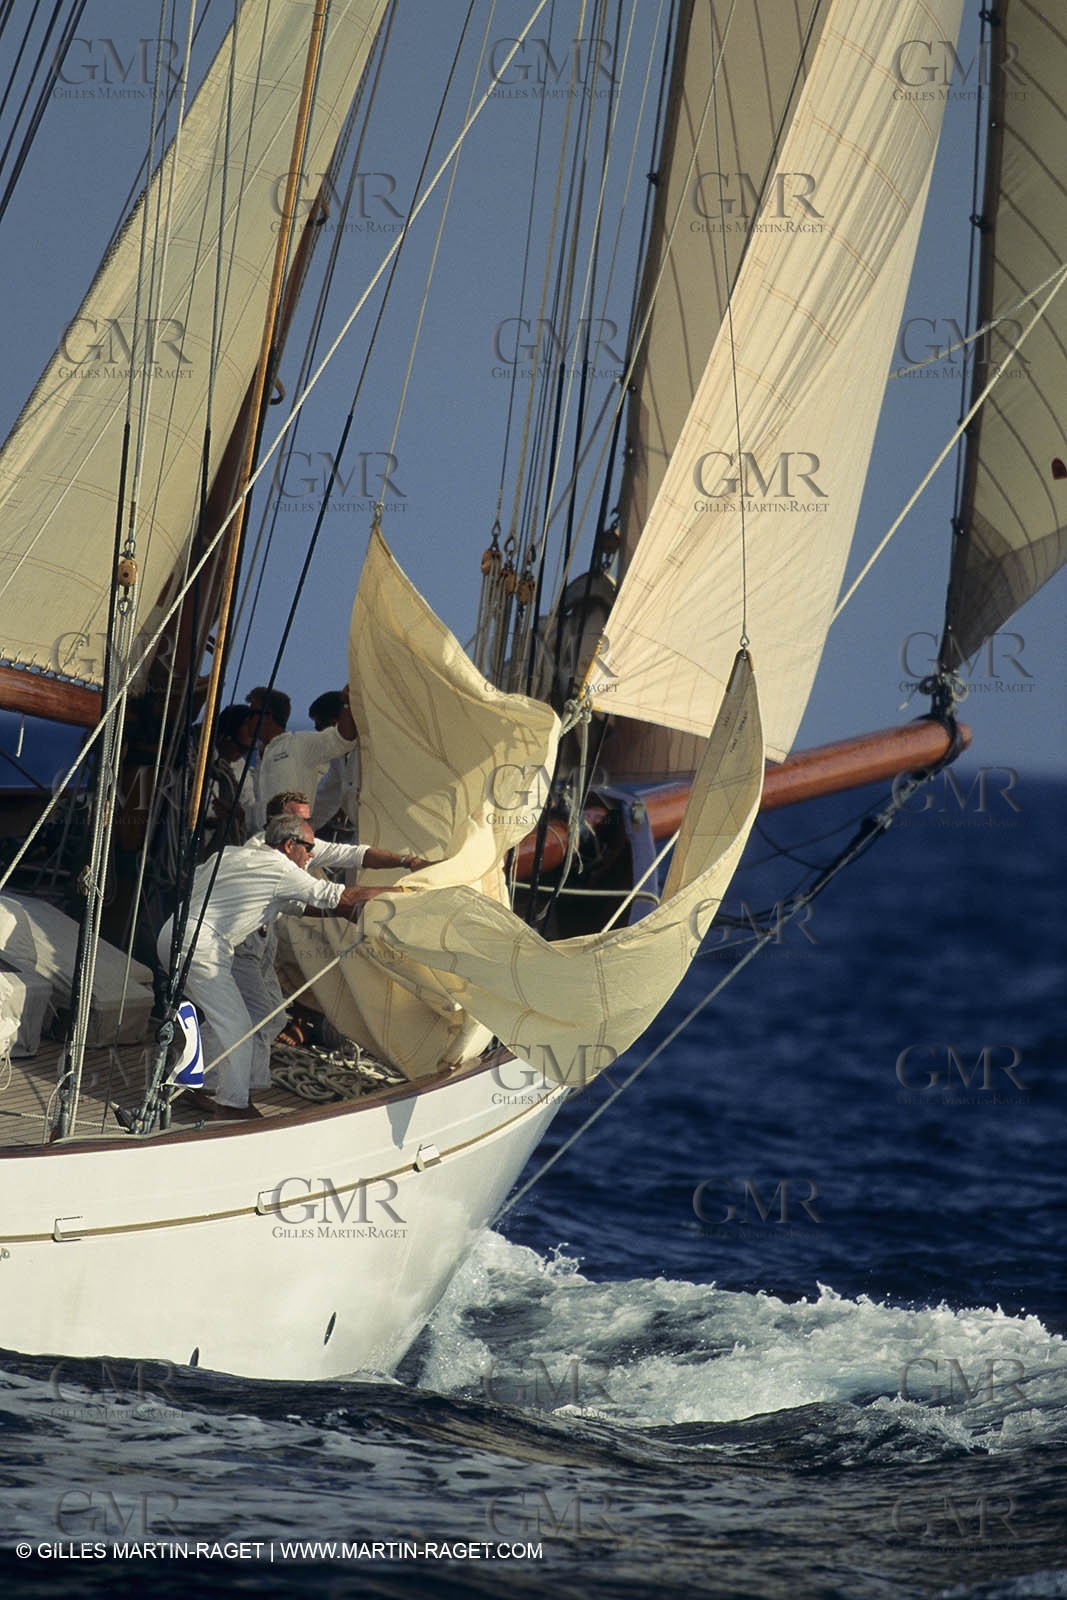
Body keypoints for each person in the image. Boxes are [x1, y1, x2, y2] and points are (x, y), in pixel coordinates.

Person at [156, 815, 384, 1120]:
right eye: (308, 848)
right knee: (237, 1027)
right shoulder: (282, 868)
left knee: (237, 1018)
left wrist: (345, 914)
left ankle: (205, 1086)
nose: (311, 856)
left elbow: (298, 905)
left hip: (171, 932)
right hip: (203, 946)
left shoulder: (232, 854)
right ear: (290, 845)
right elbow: (341, 896)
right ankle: (230, 1107)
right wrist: (404, 893)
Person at [231, 791, 429, 1090]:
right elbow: (337, 896)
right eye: (299, 820)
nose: (307, 830)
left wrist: (409, 862)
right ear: (280, 827)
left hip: (263, 937)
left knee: (269, 1013)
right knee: (252, 1015)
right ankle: (222, 1086)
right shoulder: (267, 856)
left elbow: (353, 854)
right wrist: (411, 893)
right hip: (241, 942)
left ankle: (249, 1080)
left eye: (308, 820)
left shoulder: (301, 843)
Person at [247, 686, 358, 831]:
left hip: (289, 843)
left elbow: (344, 739)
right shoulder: (261, 757)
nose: (247, 719)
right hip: (263, 842)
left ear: (267, 715)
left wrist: (347, 702)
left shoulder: (300, 744)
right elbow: (325, 801)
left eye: (251, 713)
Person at [197, 702, 258, 859]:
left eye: (247, 751)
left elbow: (249, 805)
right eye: (240, 747)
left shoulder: (239, 769)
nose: (241, 754)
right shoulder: (195, 759)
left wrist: (238, 814)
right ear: (223, 737)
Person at [307, 691, 360, 830]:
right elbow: (325, 798)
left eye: (319, 727)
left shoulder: (370, 749)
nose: (319, 734)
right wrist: (298, 831)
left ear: (335, 722)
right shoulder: (338, 758)